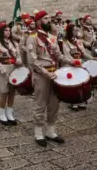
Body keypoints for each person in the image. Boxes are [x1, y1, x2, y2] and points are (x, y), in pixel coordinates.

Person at [27, 10, 77, 146]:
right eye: (45, 18)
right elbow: (33, 61)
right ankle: (38, 132)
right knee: (40, 103)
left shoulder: (51, 37)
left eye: (49, 18)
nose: (49, 21)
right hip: (41, 75)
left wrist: (72, 61)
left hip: (55, 74)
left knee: (54, 103)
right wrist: (46, 73)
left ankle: (50, 130)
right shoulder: (32, 37)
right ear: (38, 21)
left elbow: (58, 55)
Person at [0, 22, 22, 125]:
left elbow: (18, 54)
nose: (8, 32)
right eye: (5, 30)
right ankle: (1, 113)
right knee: (4, 92)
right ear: (1, 31)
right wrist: (2, 69)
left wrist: (18, 60)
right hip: (3, 70)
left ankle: (9, 112)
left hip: (13, 69)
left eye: (9, 30)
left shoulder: (14, 43)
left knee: (12, 92)